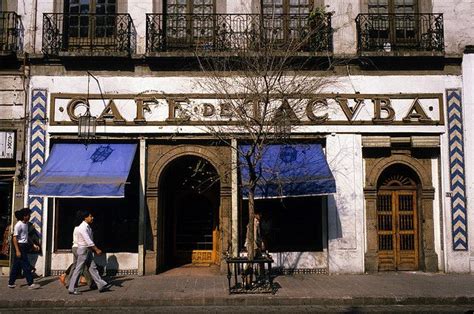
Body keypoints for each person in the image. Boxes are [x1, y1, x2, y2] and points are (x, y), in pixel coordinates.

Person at [68, 210, 111, 295]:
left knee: (93, 267)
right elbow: (88, 240)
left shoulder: (87, 227)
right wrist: (96, 249)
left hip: (87, 250)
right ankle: (72, 288)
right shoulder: (82, 227)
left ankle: (101, 285)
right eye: (90, 216)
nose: (92, 218)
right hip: (83, 250)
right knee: (79, 269)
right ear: (85, 217)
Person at [8, 208, 40, 289]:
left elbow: (27, 236)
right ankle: (30, 283)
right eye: (28, 215)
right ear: (24, 216)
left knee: (16, 265)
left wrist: (33, 245)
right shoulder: (18, 225)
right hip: (20, 246)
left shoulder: (26, 224)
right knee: (25, 265)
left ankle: (11, 283)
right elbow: (14, 238)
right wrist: (18, 250)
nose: (29, 216)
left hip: (24, 246)